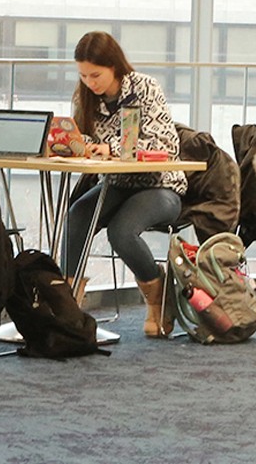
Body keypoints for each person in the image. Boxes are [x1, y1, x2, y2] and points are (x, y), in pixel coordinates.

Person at [63, 31, 187, 338]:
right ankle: (66, 309)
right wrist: (75, 146)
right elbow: (85, 137)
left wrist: (113, 149)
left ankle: (158, 298)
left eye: (96, 75)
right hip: (116, 182)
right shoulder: (84, 97)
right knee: (78, 215)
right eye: (83, 75)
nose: (90, 82)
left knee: (121, 231)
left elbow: (165, 145)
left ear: (114, 67)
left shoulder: (145, 88)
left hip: (161, 185)